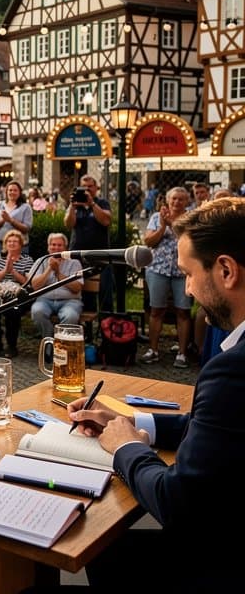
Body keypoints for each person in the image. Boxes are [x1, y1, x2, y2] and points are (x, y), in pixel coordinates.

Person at [60, 196, 245, 592]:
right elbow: (218, 428)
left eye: (189, 274)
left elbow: (176, 502)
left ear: (226, 270)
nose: (189, 289)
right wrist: (130, 423)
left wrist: (127, 448)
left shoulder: (232, 369)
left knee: (91, 539)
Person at [141, 186, 192, 367]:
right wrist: (163, 226)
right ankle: (153, 349)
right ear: (168, 200)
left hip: (182, 271)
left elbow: (191, 242)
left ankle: (182, 353)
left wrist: (173, 225)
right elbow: (149, 242)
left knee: (183, 311)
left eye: (181, 199)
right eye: (174, 199)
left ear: (187, 201)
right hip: (158, 269)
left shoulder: (191, 218)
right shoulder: (157, 217)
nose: (177, 202)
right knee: (156, 310)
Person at [64, 174, 113, 313]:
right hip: (79, 254)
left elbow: (106, 221)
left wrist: (91, 203)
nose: (86, 190)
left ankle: (106, 324)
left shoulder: (102, 203)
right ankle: (87, 328)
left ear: (96, 188)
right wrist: (72, 206)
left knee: (105, 292)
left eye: (90, 187)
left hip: (100, 255)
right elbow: (68, 224)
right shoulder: (76, 205)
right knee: (85, 293)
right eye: (83, 187)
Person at [0, 229, 34, 357]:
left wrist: (13, 272)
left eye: (15, 242)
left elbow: (27, 282)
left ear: (21, 245)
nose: (11, 244)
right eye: (9, 241)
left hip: (17, 292)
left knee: (13, 310)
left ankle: (12, 345)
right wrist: (5, 270)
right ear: (5, 244)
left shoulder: (27, 260)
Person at [29, 233, 84, 338]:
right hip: (44, 300)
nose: (56, 248)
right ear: (48, 247)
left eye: (60, 245)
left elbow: (77, 288)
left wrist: (58, 273)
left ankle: (62, 342)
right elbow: (35, 286)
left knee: (70, 316)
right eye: (53, 245)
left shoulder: (74, 263)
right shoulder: (40, 262)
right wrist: (49, 269)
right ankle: (49, 340)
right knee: (37, 312)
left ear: (65, 248)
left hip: (69, 301)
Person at [0, 180, 32, 255]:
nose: (12, 192)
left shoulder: (26, 207)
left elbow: (27, 229)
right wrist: (1, 221)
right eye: (10, 190)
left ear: (19, 192)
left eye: (15, 190)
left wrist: (10, 220)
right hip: (1, 245)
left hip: (20, 246)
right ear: (6, 192)